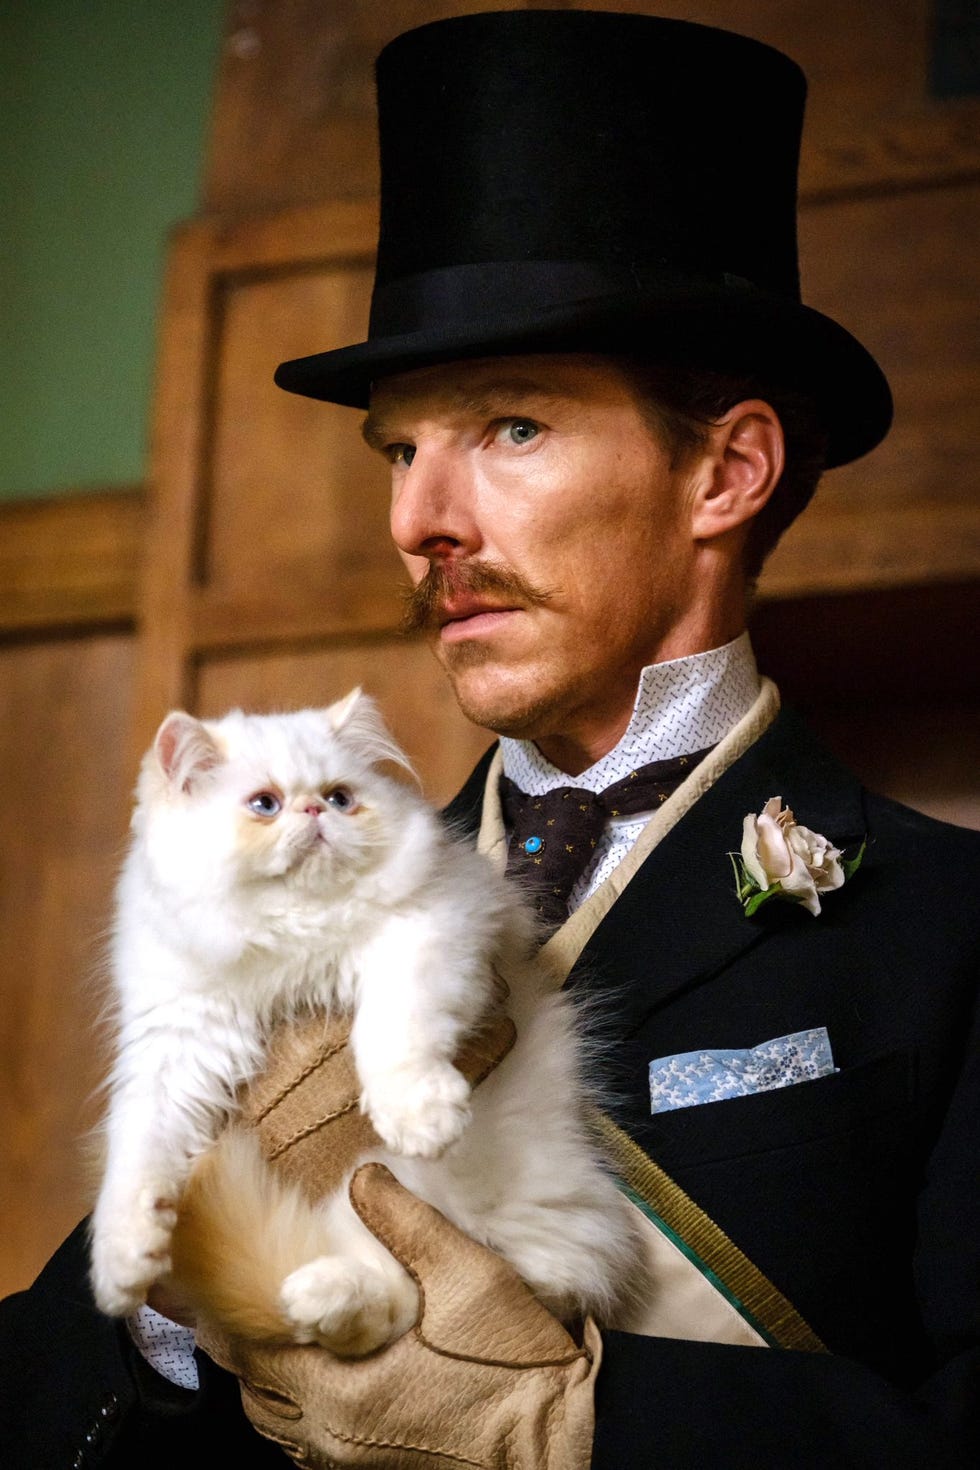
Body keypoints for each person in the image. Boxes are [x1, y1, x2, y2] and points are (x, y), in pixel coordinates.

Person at [2, 10, 977, 1468]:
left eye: (512, 428)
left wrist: (573, 1426)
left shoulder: (952, 927)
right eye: (401, 449)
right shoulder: (295, 884)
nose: (419, 520)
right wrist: (186, 1297)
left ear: (727, 472)